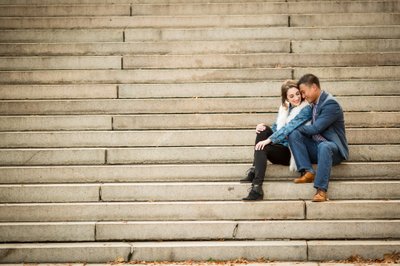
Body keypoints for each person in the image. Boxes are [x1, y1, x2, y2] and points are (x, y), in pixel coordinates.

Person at [241, 80, 312, 201]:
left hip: (292, 152)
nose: (296, 98)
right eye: (291, 96)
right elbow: (277, 127)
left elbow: (289, 128)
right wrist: (262, 126)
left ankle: (255, 180)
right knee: (263, 130)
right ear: (286, 98)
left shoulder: (306, 109)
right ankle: (256, 185)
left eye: (297, 94)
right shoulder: (285, 109)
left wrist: (269, 140)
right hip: (282, 148)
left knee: (264, 143)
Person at [288, 74, 349, 202]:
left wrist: (293, 127)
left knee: (324, 145)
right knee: (294, 134)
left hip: (333, 149)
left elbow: (315, 129)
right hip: (317, 147)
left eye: (304, 92)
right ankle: (308, 171)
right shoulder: (313, 103)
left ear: (314, 87)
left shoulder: (331, 104)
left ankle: (321, 191)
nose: (303, 96)